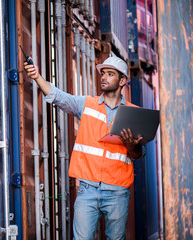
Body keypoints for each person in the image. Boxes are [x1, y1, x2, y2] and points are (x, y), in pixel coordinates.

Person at [24, 56, 144, 240]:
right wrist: (37, 77)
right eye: (102, 73)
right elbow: (58, 96)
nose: (103, 77)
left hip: (118, 192)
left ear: (122, 81)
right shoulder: (86, 104)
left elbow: (137, 154)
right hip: (87, 190)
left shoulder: (134, 113)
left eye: (110, 74)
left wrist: (131, 145)